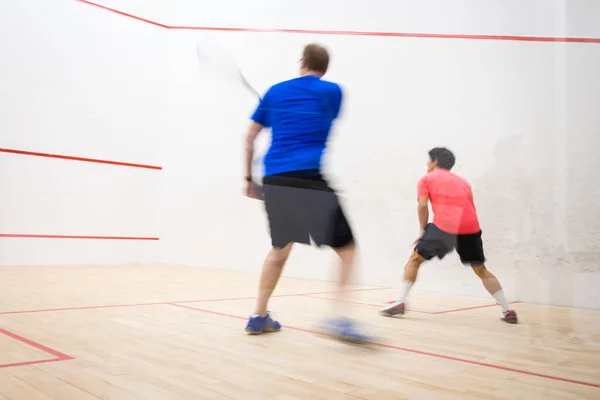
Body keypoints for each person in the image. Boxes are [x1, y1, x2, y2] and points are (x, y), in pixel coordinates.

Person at [242, 44, 371, 342]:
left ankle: (258, 316)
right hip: (309, 178)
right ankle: (340, 319)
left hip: (275, 181)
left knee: (280, 248)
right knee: (348, 250)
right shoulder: (334, 93)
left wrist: (249, 180)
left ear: (302, 62)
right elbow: (322, 118)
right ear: (324, 68)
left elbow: (249, 136)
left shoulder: (274, 92)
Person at [380, 147, 518, 324]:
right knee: (481, 270)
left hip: (445, 227)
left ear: (435, 161)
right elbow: (469, 207)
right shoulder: (464, 182)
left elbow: (422, 206)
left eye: (428, 160)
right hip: (471, 228)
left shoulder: (426, 179)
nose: (427, 164)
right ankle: (508, 310)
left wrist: (424, 231)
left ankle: (399, 303)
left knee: (414, 260)